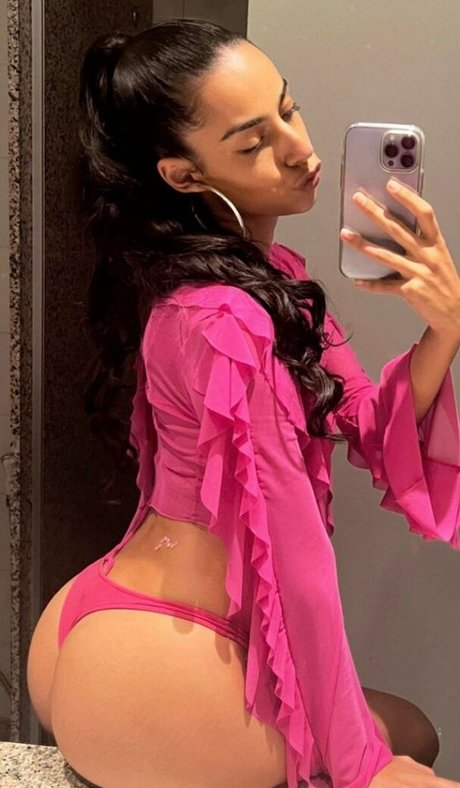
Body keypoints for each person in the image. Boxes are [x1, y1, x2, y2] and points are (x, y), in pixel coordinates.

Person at [26, 18, 460, 788]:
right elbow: (294, 553)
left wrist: (444, 330)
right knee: (404, 750)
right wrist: (359, 766)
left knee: (414, 731)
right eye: (255, 142)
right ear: (184, 175)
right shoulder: (224, 319)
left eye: (288, 110)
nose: (300, 149)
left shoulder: (264, 280)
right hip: (158, 656)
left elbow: (364, 422)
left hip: (119, 623)